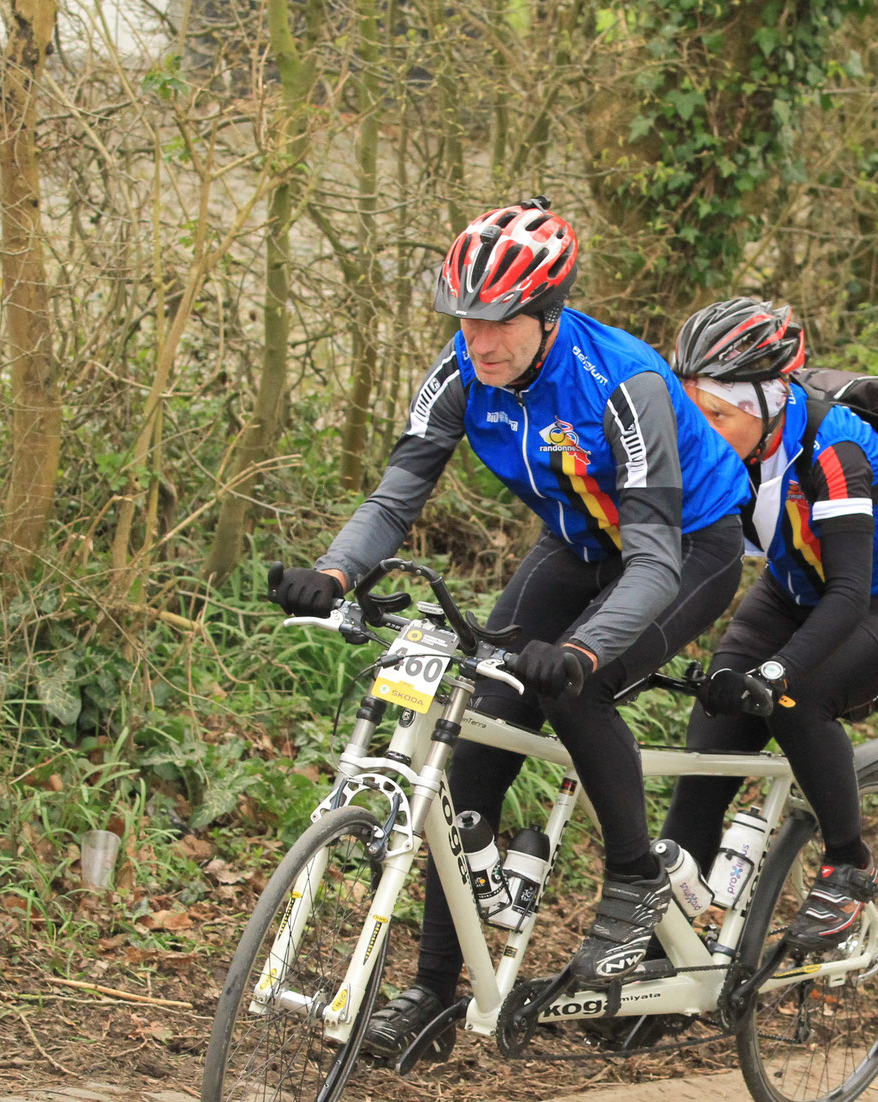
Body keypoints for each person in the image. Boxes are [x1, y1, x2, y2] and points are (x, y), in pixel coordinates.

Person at [268, 198, 753, 1050]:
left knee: (578, 687)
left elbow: (649, 561)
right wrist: (335, 571)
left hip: (680, 543)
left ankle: (636, 878)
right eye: (465, 320)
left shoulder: (621, 382)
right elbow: (396, 493)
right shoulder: (459, 375)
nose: (477, 340)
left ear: (546, 314)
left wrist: (580, 649)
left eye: (498, 323)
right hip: (576, 540)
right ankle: (432, 997)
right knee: (479, 735)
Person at [657, 299, 878, 950]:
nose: (699, 430)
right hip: (791, 589)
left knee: (794, 695)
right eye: (691, 409)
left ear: (768, 403)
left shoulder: (834, 449)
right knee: (709, 743)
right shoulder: (720, 440)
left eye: (717, 415)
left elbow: (846, 591)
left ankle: (850, 867)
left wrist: (777, 669)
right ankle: (664, 955)